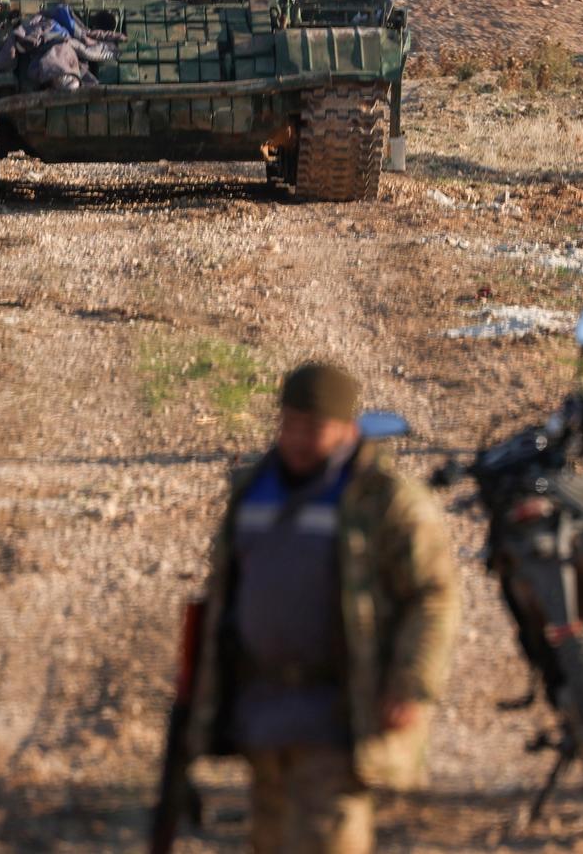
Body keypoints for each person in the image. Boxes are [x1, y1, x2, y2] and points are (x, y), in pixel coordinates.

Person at [182, 362, 460, 853]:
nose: (297, 438)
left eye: (313, 427)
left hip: (339, 714)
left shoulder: (387, 501)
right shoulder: (254, 490)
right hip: (263, 713)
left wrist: (412, 683)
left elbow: (433, 595)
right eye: (289, 423)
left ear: (349, 429)